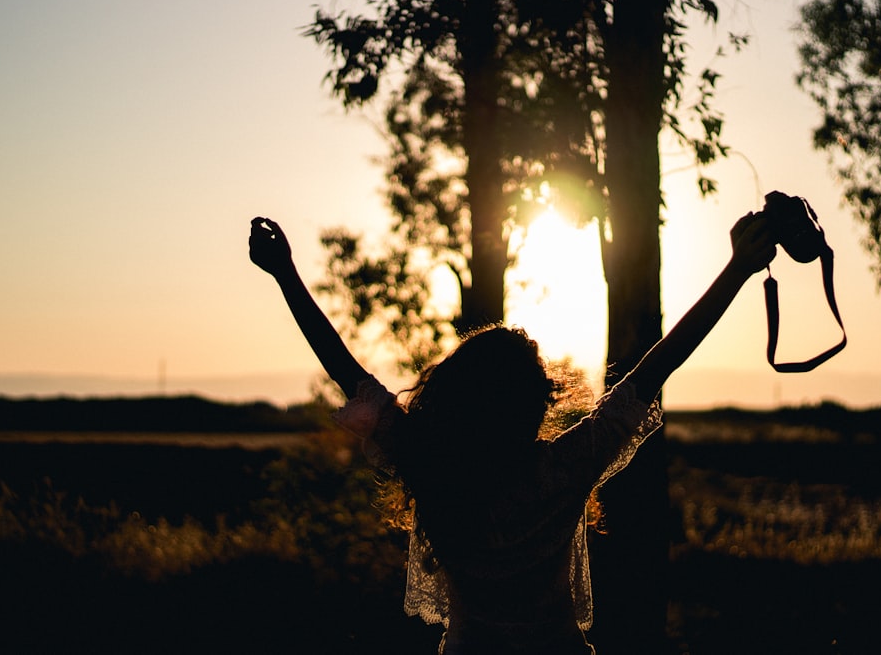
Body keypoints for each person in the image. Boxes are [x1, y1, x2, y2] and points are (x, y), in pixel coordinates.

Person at [248, 212, 777, 655]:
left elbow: (347, 372)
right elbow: (655, 369)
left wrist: (285, 273)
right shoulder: (564, 470)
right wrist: (738, 268)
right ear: (534, 404)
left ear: (452, 398)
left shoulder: (431, 468)